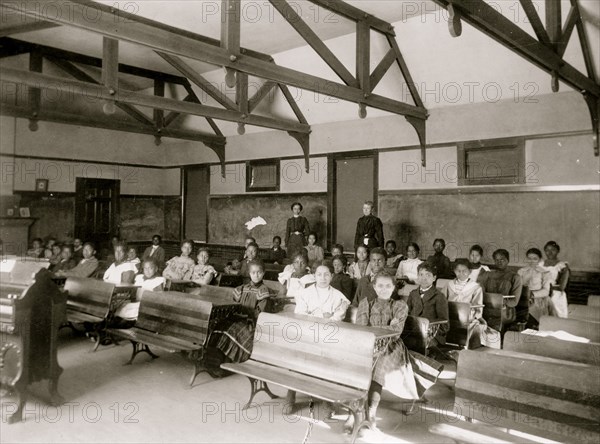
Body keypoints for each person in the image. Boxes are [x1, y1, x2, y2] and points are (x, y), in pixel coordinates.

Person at [353, 272, 443, 431]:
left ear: (394, 288)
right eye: (380, 285)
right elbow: (362, 328)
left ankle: (371, 412)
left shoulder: (400, 305)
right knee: (355, 362)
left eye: (388, 286)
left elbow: (396, 332)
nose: (384, 289)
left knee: (379, 362)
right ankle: (356, 410)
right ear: (374, 287)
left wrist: (378, 328)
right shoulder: (365, 303)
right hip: (368, 344)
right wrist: (387, 326)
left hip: (392, 347)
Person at [286, 262, 350, 414]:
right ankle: (291, 394)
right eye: (319, 274)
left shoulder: (338, 296)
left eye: (327, 274)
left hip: (329, 335)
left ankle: (325, 398)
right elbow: (300, 313)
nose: (323, 278)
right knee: (297, 355)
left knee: (327, 360)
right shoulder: (305, 293)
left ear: (332, 276)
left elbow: (338, 317)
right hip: (307, 333)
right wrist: (323, 315)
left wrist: (316, 314)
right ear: (314, 276)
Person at [214, 260, 271, 369]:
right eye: (253, 272)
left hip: (252, 321)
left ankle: (232, 360)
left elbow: (260, 313)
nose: (256, 275)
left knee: (235, 330)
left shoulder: (263, 291)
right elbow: (234, 305)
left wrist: (248, 317)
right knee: (222, 326)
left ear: (263, 273)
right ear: (249, 274)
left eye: (259, 272)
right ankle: (220, 361)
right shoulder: (243, 288)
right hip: (239, 318)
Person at [445, 259, 500, 349]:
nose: (461, 273)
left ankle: (466, 348)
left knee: (473, 326)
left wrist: (474, 316)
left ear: (470, 271)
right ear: (454, 271)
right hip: (449, 315)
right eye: (458, 271)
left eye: (464, 271)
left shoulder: (475, 287)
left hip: (468, 317)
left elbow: (478, 307)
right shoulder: (449, 284)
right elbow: (443, 300)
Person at [112, 259, 165, 329]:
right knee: (121, 308)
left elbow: (158, 298)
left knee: (130, 313)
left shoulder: (158, 280)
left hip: (146, 305)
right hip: (135, 302)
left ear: (156, 269)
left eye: (150, 268)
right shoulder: (139, 278)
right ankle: (117, 324)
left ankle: (126, 325)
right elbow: (133, 292)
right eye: (145, 268)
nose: (147, 271)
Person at [407, 262, 449, 350]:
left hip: (432, 334)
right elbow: (406, 314)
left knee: (417, 343)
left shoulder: (439, 296)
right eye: (421, 274)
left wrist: (430, 332)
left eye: (428, 275)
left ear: (434, 278)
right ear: (417, 276)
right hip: (413, 331)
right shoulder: (413, 294)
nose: (424, 278)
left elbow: (444, 324)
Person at [480, 249, 525, 325]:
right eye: (496, 260)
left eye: (502, 260)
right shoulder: (487, 274)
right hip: (487, 308)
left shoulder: (515, 277)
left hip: (505, 311)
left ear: (508, 260)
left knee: (493, 321)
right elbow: (481, 293)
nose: (499, 262)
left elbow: (514, 301)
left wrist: (498, 302)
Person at [518, 248, 551, 328]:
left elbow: (546, 291)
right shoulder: (521, 271)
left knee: (535, 322)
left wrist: (532, 294)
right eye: (529, 258)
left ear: (539, 260)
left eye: (535, 259)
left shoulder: (544, 272)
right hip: (523, 298)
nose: (531, 261)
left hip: (539, 299)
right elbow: (518, 286)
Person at [540, 241, 569, 318]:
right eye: (547, 250)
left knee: (555, 320)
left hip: (556, 295)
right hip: (540, 294)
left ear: (558, 251)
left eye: (553, 249)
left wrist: (548, 288)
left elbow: (562, 286)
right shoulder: (540, 264)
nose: (549, 252)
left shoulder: (562, 266)